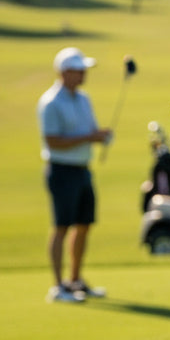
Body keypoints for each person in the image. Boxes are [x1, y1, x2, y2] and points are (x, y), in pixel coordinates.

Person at [37, 47, 112, 302]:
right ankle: (58, 287)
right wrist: (90, 138)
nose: (83, 75)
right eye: (78, 71)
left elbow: (88, 130)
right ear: (64, 72)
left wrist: (99, 136)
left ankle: (75, 280)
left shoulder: (83, 99)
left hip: (82, 170)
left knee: (83, 226)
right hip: (60, 170)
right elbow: (53, 141)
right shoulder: (50, 102)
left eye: (83, 71)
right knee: (61, 227)